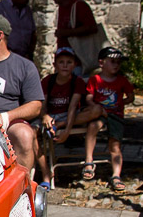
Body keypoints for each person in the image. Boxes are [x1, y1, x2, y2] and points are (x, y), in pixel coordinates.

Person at [0, 12, 44, 175]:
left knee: (25, 135)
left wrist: (7, 117)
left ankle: (23, 183)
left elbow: (36, 106)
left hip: (8, 123)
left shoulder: (24, 66)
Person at [35, 46, 103, 187]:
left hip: (68, 116)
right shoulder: (48, 80)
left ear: (74, 65)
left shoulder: (76, 82)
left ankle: (59, 125)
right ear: (55, 65)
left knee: (96, 110)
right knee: (32, 132)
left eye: (69, 62)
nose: (65, 66)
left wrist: (66, 129)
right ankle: (45, 172)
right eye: (61, 62)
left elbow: (73, 106)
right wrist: (45, 116)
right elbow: (42, 103)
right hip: (52, 114)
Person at [83, 46, 135, 192]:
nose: (116, 65)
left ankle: (116, 174)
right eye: (112, 61)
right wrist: (95, 106)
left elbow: (130, 97)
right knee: (93, 127)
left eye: (118, 62)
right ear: (102, 63)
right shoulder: (95, 80)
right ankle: (88, 161)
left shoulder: (122, 81)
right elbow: (89, 97)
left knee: (115, 144)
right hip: (100, 113)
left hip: (115, 115)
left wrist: (120, 104)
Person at [52, 0, 101, 75]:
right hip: (63, 58)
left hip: (78, 61)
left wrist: (67, 33)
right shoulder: (62, 7)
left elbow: (92, 27)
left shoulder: (79, 6)